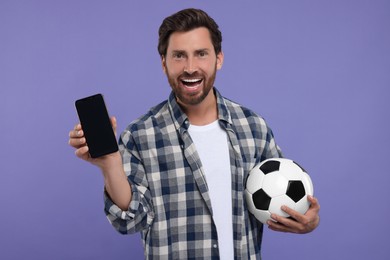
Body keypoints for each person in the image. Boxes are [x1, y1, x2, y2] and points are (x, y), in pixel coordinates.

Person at [68, 8, 320, 259]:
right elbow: (129, 222)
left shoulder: (253, 127)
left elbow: (284, 196)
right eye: (179, 56)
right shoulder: (138, 135)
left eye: (201, 54)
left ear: (218, 58)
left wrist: (308, 220)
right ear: (163, 62)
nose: (190, 67)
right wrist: (110, 163)